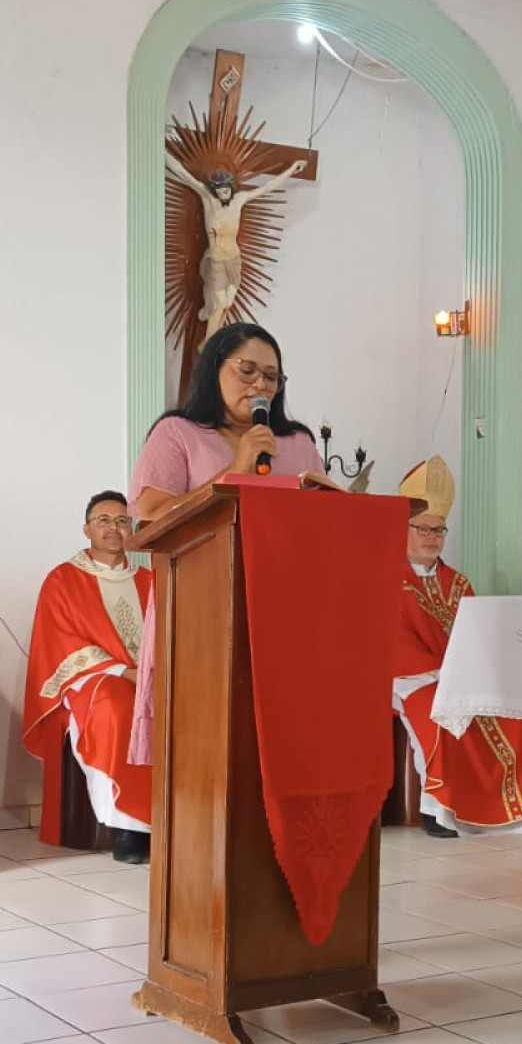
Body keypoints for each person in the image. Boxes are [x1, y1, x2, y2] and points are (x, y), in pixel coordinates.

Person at [128, 322, 324, 762]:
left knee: (275, 740)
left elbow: (322, 518)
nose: (260, 386)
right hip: (199, 606)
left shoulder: (297, 442)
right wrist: (235, 469)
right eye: (247, 371)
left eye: (271, 377)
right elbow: (152, 515)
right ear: (214, 368)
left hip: (283, 606)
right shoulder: (178, 433)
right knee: (207, 744)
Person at [395, 458, 522, 836]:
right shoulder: (385, 576)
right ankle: (437, 810)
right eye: (424, 528)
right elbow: (390, 640)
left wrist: (474, 670)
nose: (433, 537)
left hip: (459, 675)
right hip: (408, 678)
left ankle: (515, 810)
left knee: (515, 707)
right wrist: (445, 672)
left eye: (439, 529)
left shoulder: (458, 582)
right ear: (402, 529)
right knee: (434, 709)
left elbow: (479, 635)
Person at [23, 492, 152, 863]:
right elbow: (59, 640)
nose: (114, 527)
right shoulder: (63, 580)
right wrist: (123, 670)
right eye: (103, 520)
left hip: (149, 677)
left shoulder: (151, 579)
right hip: (92, 679)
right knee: (116, 707)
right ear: (87, 529)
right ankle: (128, 828)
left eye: (122, 520)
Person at [165, 156, 307, 340]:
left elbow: (267, 187)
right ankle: (209, 345)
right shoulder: (208, 198)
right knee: (220, 302)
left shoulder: (239, 200)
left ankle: (208, 309)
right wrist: (160, 152)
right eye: (219, 191)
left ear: (230, 188)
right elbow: (181, 172)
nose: (223, 194)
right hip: (215, 260)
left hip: (233, 259)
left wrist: (291, 169)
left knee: (227, 302)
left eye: (226, 190)